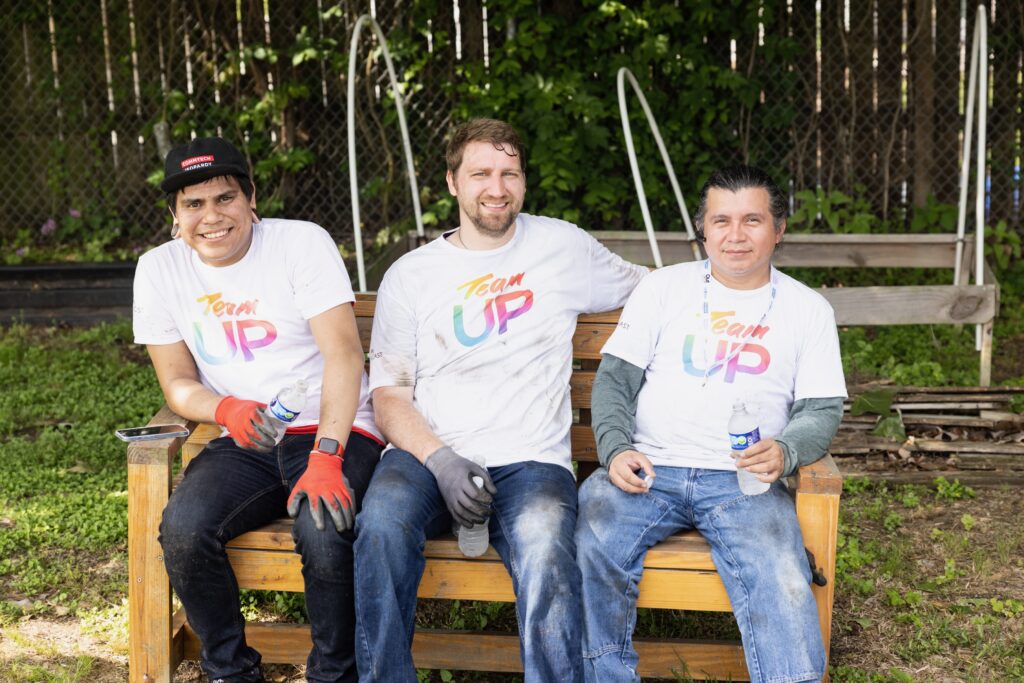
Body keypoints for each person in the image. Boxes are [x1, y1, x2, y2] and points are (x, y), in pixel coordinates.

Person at [353, 118, 647, 682]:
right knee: (382, 528)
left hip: (531, 459)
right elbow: (389, 395)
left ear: (524, 181)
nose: (497, 187)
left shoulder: (561, 245)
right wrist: (440, 461)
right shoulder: (411, 276)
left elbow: (651, 288)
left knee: (544, 546)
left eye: (509, 172)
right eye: (481, 173)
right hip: (428, 454)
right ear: (452, 183)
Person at [575, 165, 846, 683]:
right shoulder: (663, 288)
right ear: (703, 228)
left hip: (744, 481)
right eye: (721, 220)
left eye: (753, 220)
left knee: (782, 574)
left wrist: (786, 451)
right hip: (650, 471)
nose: (736, 235)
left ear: (779, 229)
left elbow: (821, 411)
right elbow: (613, 380)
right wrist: (613, 450)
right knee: (593, 538)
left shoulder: (808, 309)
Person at [132, 137, 383, 683]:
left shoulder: (299, 245)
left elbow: (344, 353)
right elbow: (176, 384)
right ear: (174, 215)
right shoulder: (158, 270)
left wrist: (328, 455)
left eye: (225, 198)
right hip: (246, 435)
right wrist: (224, 407)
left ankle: (334, 675)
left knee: (323, 524)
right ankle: (231, 672)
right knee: (183, 527)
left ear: (250, 198)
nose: (212, 217)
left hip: (332, 427)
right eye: (193, 205)